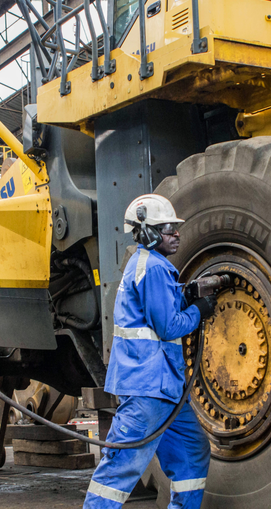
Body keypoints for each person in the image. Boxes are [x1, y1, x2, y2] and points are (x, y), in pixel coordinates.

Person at [83, 194, 217, 509]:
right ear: (147, 232)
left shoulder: (151, 266)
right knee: (121, 467)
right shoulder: (153, 268)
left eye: (175, 228)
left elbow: (157, 311)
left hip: (165, 389)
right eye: (168, 229)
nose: (176, 234)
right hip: (147, 388)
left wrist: (186, 295)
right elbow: (168, 326)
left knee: (192, 451)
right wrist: (199, 310)